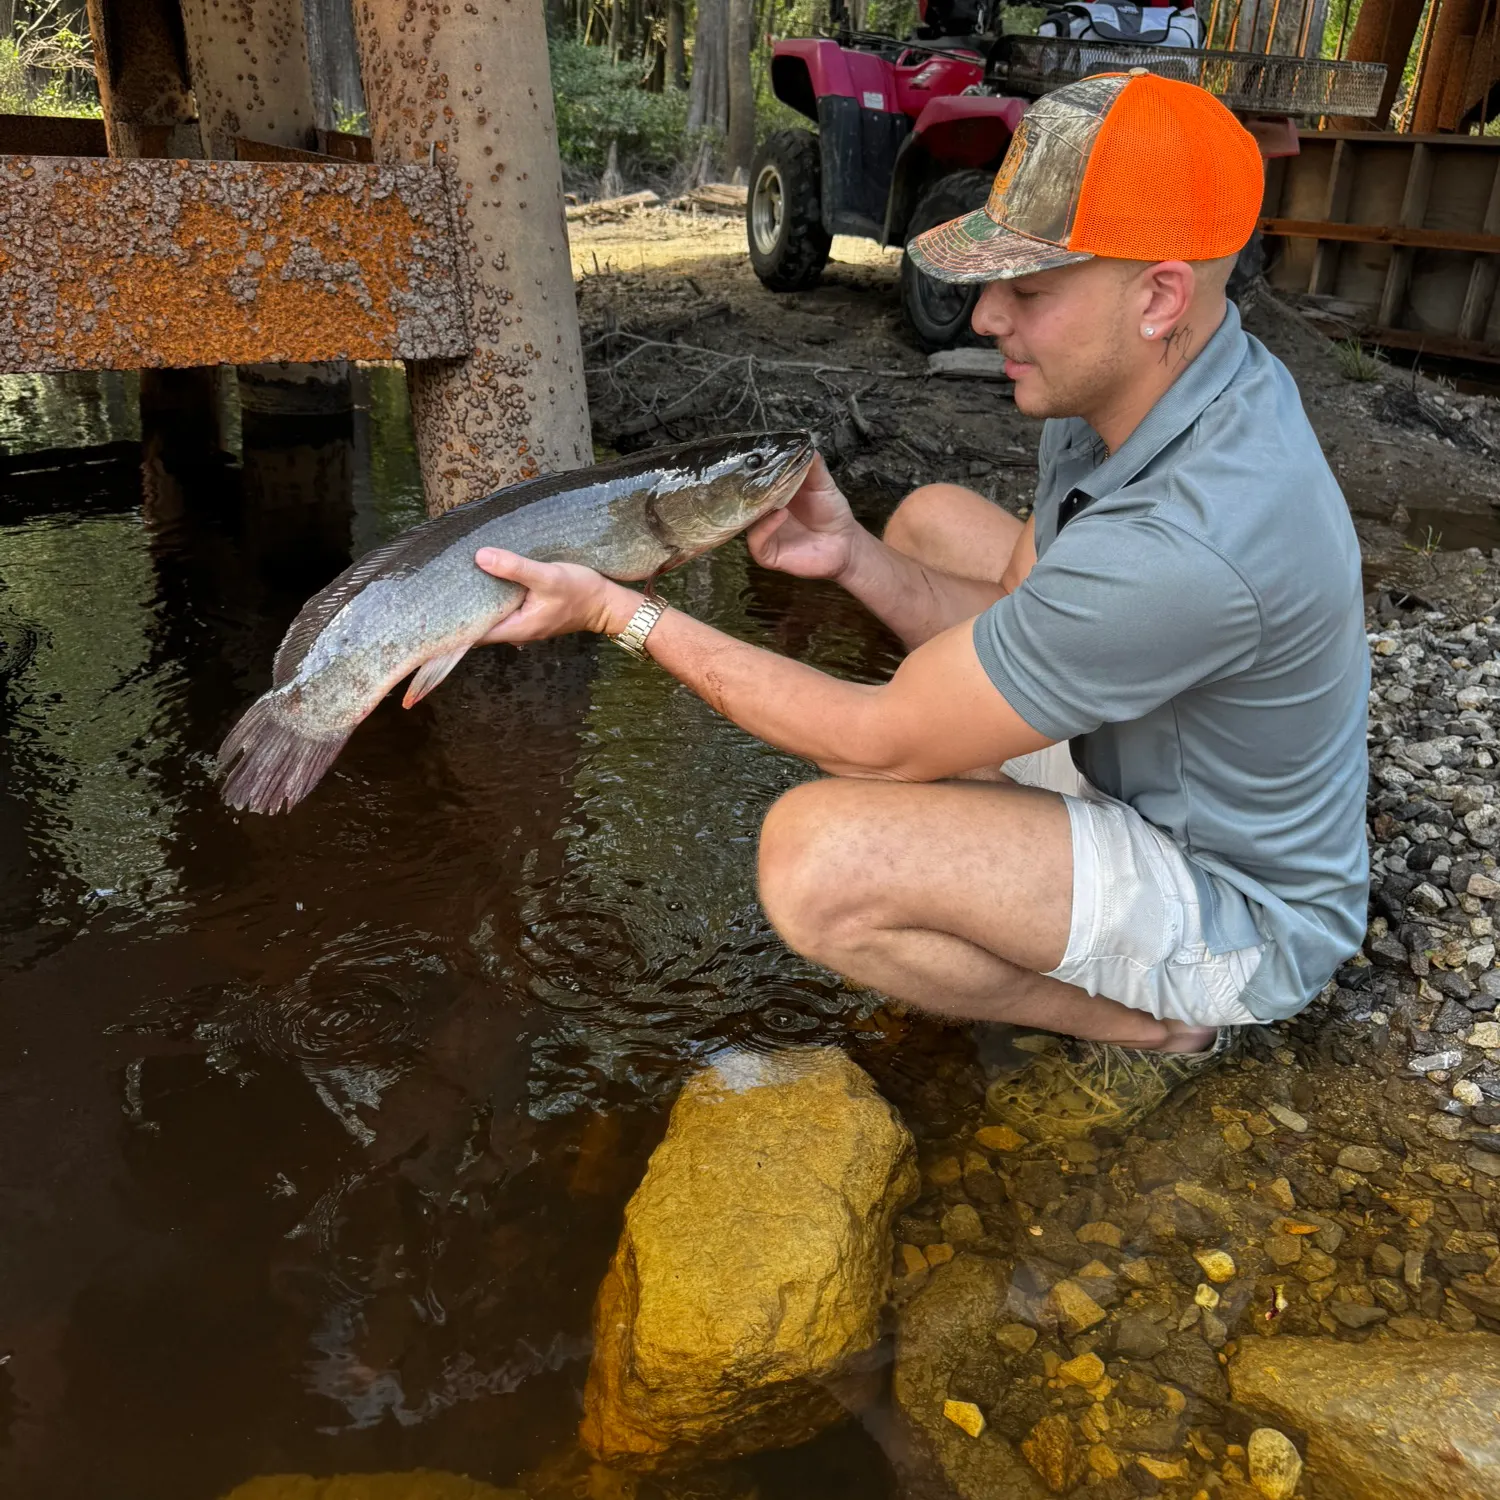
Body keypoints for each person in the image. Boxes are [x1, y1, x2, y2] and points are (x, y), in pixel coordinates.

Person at [473, 70, 1369, 1133]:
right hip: (1149, 752)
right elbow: (1019, 604)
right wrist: (851, 558)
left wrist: (620, 613)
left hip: (1241, 910)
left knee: (814, 859)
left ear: (1159, 295)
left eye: (1030, 289)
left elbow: (877, 741)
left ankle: (1144, 1025)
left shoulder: (1195, 539)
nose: (986, 315)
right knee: (931, 519)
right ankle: (1045, 868)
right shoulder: (1148, 381)